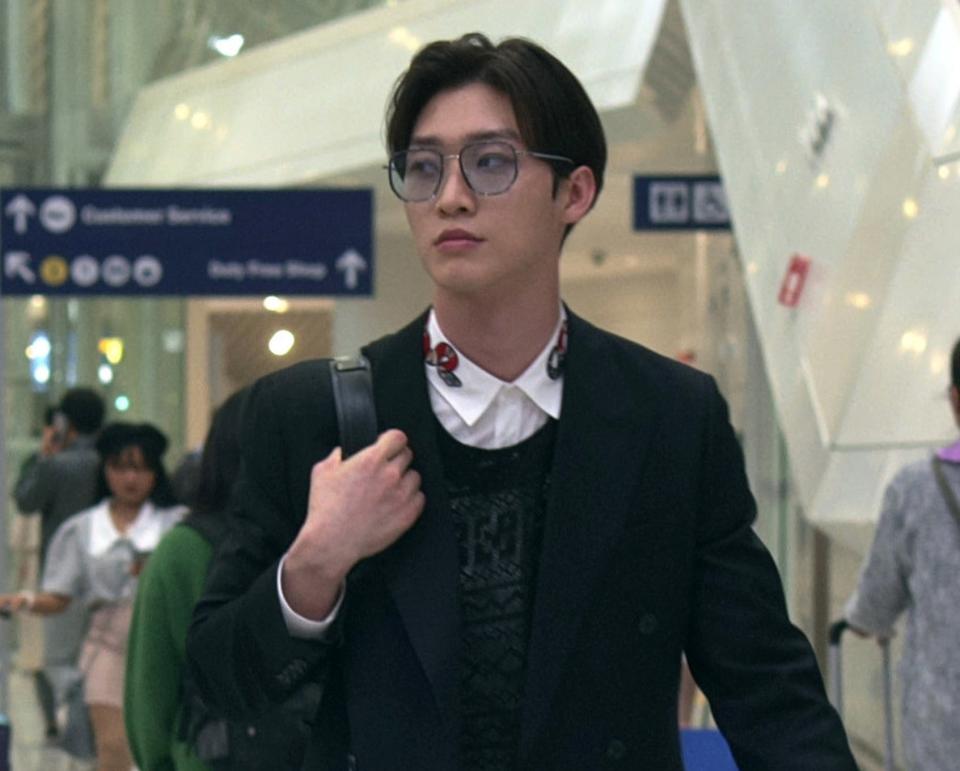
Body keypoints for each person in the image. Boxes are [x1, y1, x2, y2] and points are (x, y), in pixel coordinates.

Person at [187, 33, 857, 769]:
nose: (450, 196)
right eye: (423, 167)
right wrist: (315, 565)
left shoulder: (668, 418)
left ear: (574, 191)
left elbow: (766, 687)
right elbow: (218, 685)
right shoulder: (312, 415)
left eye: (491, 162)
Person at [1, 421, 185, 771]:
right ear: (106, 471)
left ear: (155, 473)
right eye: (120, 468)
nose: (131, 479)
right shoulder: (84, 528)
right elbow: (60, 595)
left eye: (141, 468)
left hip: (165, 647)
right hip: (108, 646)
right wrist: (24, 601)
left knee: (160, 748)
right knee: (113, 748)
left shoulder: (177, 524)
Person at [844, 336, 960, 770]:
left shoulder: (916, 490)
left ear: (954, 400)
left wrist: (860, 621)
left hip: (944, 719)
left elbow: (875, 603)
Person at [13, 387, 105, 744]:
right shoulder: (106, 461)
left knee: (58, 659)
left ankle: (76, 726)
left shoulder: (57, 465)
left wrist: (43, 455)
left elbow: (25, 500)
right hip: (106, 573)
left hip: (62, 576)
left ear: (65, 421)